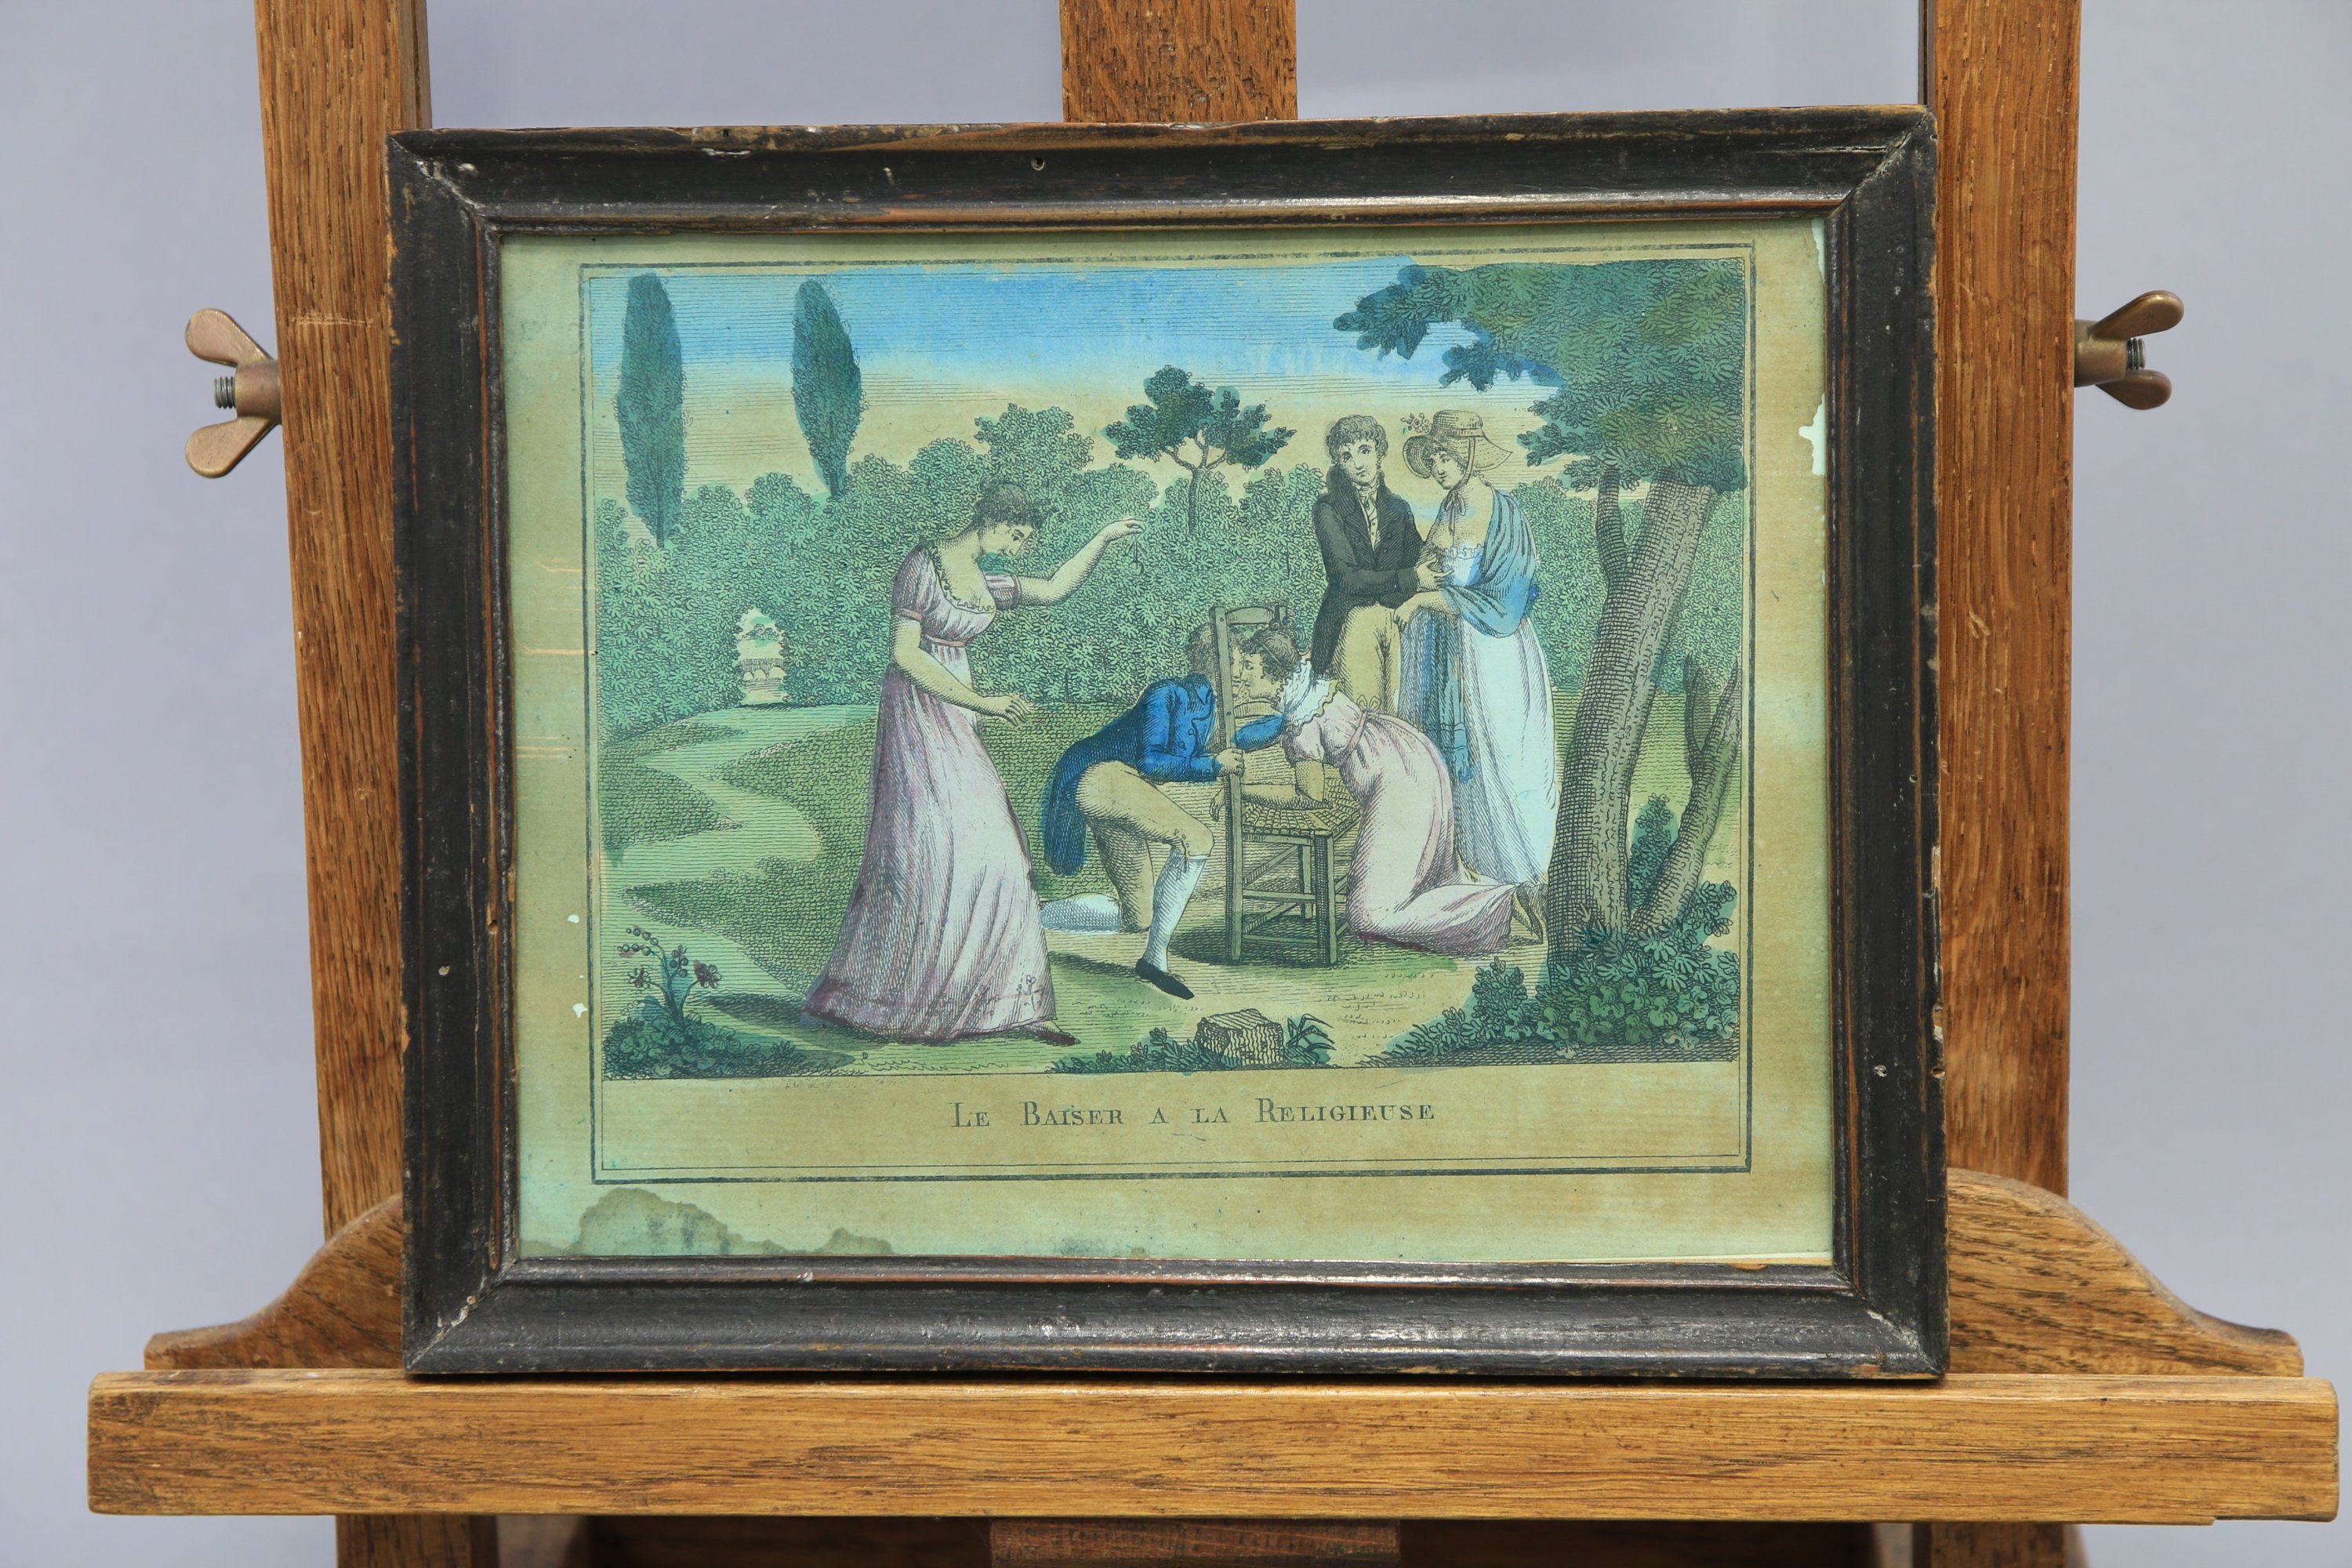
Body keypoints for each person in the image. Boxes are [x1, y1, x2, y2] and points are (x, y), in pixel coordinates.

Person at [805, 485, 1141, 1044]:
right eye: (1018, 536)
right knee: (926, 850)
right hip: (918, 715)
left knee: (1000, 854)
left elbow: (1054, 589)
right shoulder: (924, 565)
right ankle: (901, 1001)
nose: (1019, 548)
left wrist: (1102, 538)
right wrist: (983, 702)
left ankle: (1015, 1004)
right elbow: (905, 654)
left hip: (958, 717)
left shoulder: (985, 583)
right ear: (996, 522)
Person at [1230, 626, 1515, 957]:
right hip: (1409, 751)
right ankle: (1496, 897)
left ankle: (1498, 899)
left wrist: (1243, 792)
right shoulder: (1309, 691)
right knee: (1420, 880)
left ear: (1275, 674)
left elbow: (1309, 797)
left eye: (1249, 666)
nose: (1240, 675)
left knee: (1368, 916)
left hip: (1398, 781)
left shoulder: (1302, 723)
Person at [1040, 626, 1286, 1000]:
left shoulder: (1213, 706)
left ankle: (1029, 913)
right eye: (1237, 663)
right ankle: (1154, 962)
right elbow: (1152, 761)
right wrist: (1213, 766)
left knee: (1138, 917)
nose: (1241, 674)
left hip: (1124, 786)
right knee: (1197, 839)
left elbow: (1241, 739)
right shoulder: (1167, 693)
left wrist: (1292, 716)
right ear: (1215, 662)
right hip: (1100, 778)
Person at [1393, 410, 1558, 924]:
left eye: (1446, 456)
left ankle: (1528, 882)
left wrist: (1425, 599)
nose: (1439, 467)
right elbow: (1431, 567)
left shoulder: (1502, 510)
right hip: (1448, 650)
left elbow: (1504, 599)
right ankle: (1470, 889)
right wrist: (1420, 581)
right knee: (1449, 764)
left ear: (1468, 455)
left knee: (1501, 761)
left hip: (1492, 652)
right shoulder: (1450, 505)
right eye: (1434, 458)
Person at [1309, 415, 1430, 712]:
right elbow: (1346, 577)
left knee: (1399, 714)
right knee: (1364, 716)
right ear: (1338, 463)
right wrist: (1410, 577)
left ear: (1379, 452)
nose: (1358, 463)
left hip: (1395, 619)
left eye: (1365, 450)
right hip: (1350, 620)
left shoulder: (1399, 508)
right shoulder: (1328, 508)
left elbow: (1418, 558)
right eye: (1346, 456)